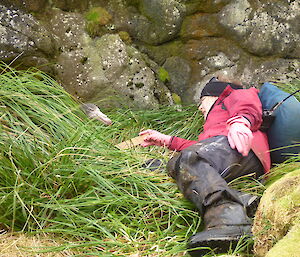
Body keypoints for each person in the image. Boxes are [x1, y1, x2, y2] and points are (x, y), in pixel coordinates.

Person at [139, 77, 270, 256]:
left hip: (243, 148)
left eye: (203, 101)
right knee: (165, 165)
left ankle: (230, 220)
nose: (200, 107)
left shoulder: (232, 95)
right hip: (229, 152)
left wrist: (241, 121)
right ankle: (242, 199)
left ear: (216, 95)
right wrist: (167, 141)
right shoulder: (215, 124)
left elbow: (247, 103)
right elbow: (204, 150)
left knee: (188, 160)